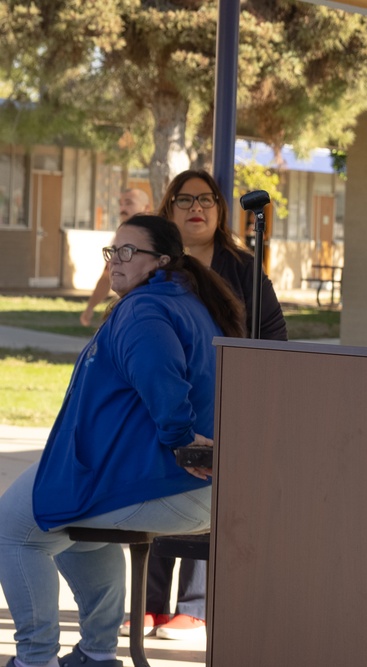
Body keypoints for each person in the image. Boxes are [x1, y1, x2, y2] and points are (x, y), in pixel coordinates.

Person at [0, 215, 245, 667]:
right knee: (75, 535)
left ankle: (34, 659)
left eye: (129, 252)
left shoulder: (145, 308)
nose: (116, 261)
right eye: (113, 251)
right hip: (187, 485)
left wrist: (180, 439)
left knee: (15, 531)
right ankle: (96, 654)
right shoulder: (181, 299)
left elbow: (161, 378)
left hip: (170, 479)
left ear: (161, 261)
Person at [129, 169, 287, 640]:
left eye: (207, 199)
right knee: (157, 490)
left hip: (225, 398)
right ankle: (148, 602)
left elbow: (273, 331)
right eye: (184, 200)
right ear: (168, 209)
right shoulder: (153, 264)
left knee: (206, 492)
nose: (196, 207)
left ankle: (194, 606)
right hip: (163, 397)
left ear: (220, 210)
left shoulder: (241, 266)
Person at [79, 188, 152, 326]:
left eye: (129, 203)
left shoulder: (156, 238)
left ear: (146, 207)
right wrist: (90, 307)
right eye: (120, 203)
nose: (122, 208)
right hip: (126, 312)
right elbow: (107, 277)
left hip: (148, 312)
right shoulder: (119, 239)